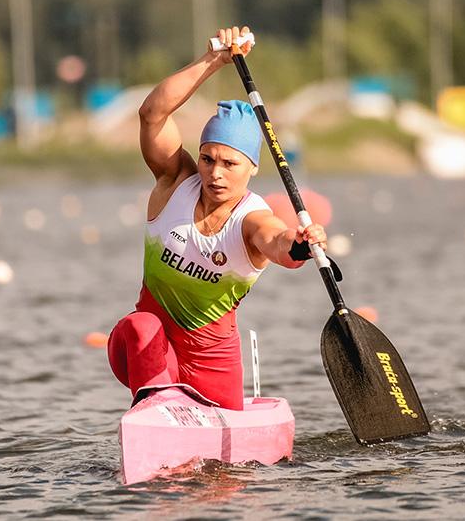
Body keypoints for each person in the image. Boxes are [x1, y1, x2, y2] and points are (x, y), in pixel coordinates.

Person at [107, 26, 328, 411]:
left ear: (253, 167)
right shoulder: (175, 181)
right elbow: (152, 114)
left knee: (224, 457)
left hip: (211, 362)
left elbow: (277, 242)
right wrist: (213, 60)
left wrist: (299, 245)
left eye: (230, 163)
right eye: (207, 159)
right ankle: (159, 410)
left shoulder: (251, 219)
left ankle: (172, 412)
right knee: (140, 325)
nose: (215, 173)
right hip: (144, 348)